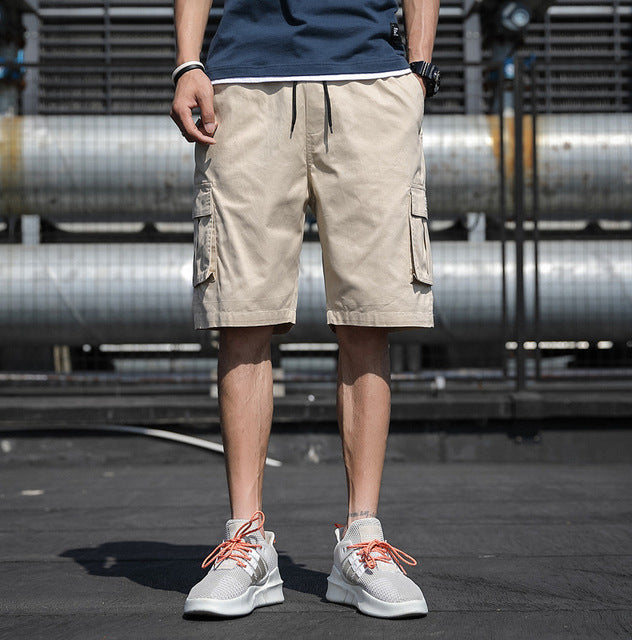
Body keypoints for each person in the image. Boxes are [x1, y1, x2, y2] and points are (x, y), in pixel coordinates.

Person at [171, 0, 440, 619]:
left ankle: (363, 539)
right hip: (244, 85)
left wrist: (418, 70)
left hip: (370, 81)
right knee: (241, 314)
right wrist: (188, 62)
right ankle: (246, 542)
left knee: (370, 317)